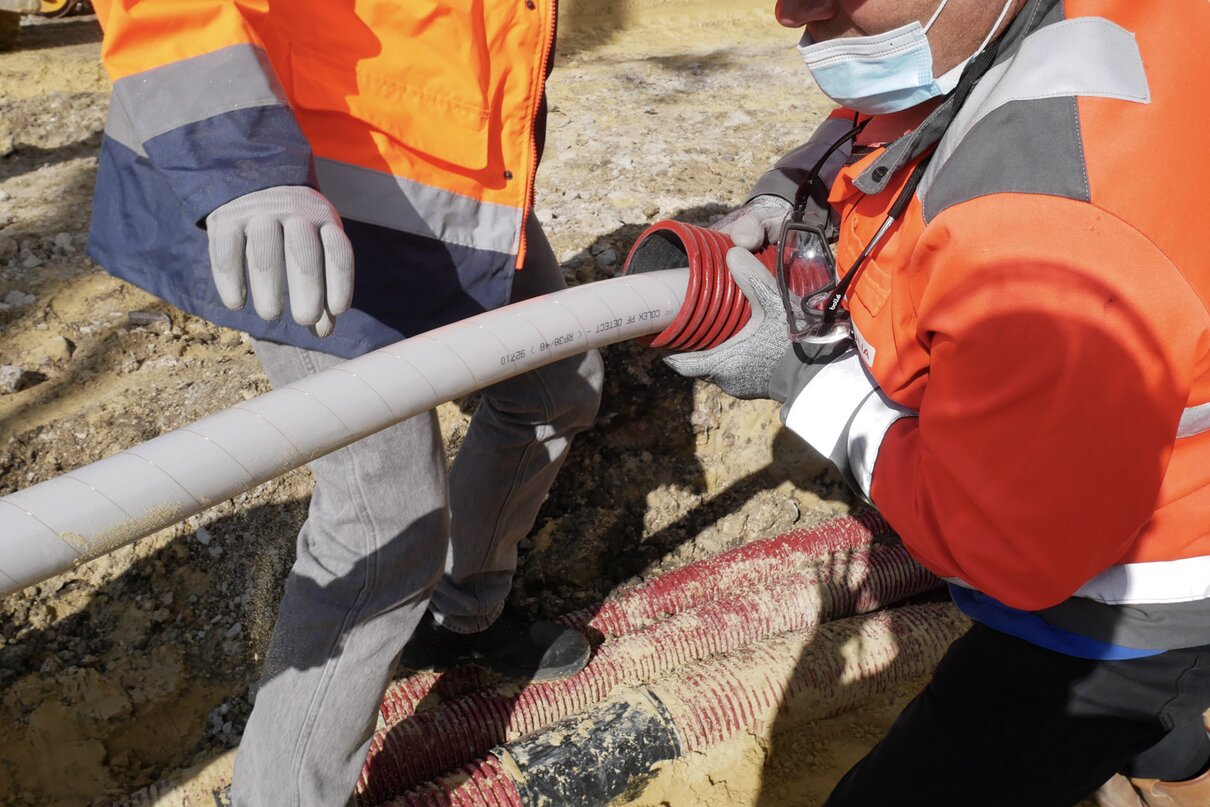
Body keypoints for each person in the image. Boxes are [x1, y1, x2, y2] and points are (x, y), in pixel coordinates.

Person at [667, 0, 1210, 805]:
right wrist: (803, 186)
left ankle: (1168, 732)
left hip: (1126, 604)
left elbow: (1007, 541)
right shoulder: (1019, 26)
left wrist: (800, 376)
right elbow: (919, 108)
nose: (792, 13)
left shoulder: (1054, 228)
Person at [85, 2, 604, 805]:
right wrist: (241, 165)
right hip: (291, 172)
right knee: (385, 510)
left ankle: (459, 612)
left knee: (554, 386)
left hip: (446, 167)